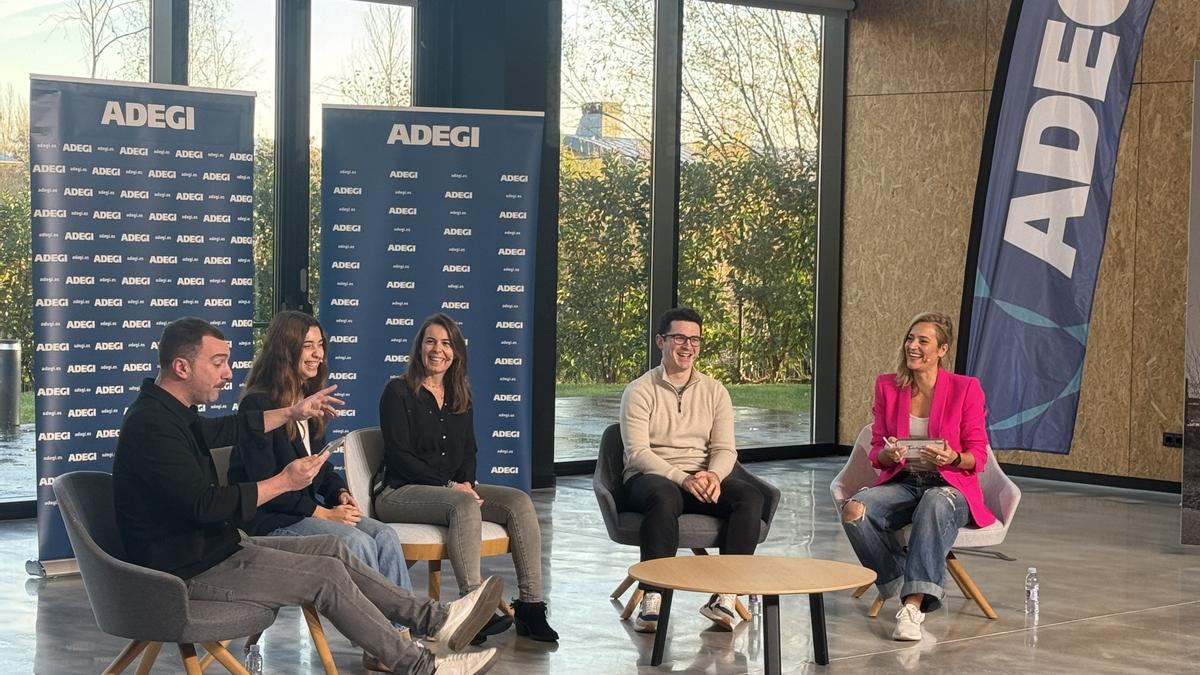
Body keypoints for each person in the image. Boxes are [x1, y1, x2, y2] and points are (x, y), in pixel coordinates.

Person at [112, 317, 503, 674]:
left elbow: (229, 430)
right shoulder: (152, 427)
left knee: (333, 553)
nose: (228, 374)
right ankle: (419, 666)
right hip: (186, 573)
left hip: (218, 548)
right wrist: (284, 481)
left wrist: (292, 412)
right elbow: (204, 506)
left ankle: (436, 619)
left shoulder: (174, 414)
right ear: (182, 367)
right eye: (217, 363)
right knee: (325, 576)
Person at [375, 313, 559, 644]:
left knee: (518, 501)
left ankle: (531, 607)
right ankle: (474, 609)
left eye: (446, 343)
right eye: (430, 341)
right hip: (401, 492)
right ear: (419, 348)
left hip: (450, 492)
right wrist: (453, 489)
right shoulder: (398, 392)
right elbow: (400, 455)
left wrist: (468, 485)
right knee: (461, 503)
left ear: (456, 352)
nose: (437, 349)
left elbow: (469, 451)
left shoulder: (460, 394)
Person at [229, 311, 413, 601]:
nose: (318, 354)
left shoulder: (308, 399)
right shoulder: (258, 404)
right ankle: (379, 636)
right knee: (356, 541)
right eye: (308, 345)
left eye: (320, 344)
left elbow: (320, 467)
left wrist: (339, 493)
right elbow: (266, 487)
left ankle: (401, 631)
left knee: (384, 536)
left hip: (302, 511)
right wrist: (323, 514)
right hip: (270, 520)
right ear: (285, 349)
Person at [840, 311, 996, 641]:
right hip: (904, 481)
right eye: (910, 339)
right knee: (855, 511)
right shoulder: (888, 386)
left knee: (935, 501)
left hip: (950, 486)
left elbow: (977, 455)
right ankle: (900, 580)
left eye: (923, 341)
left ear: (942, 349)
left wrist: (953, 456)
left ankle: (912, 608)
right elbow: (877, 452)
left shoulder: (965, 389)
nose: (913, 346)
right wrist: (889, 453)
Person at [619, 307, 765, 634]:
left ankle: (725, 595)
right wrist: (681, 478)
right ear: (661, 341)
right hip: (651, 478)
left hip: (700, 478)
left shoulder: (715, 392)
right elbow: (638, 453)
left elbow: (725, 449)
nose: (688, 346)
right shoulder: (640, 390)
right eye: (680, 338)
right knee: (664, 495)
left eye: (695, 340)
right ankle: (653, 597)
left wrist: (713, 476)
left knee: (750, 497)